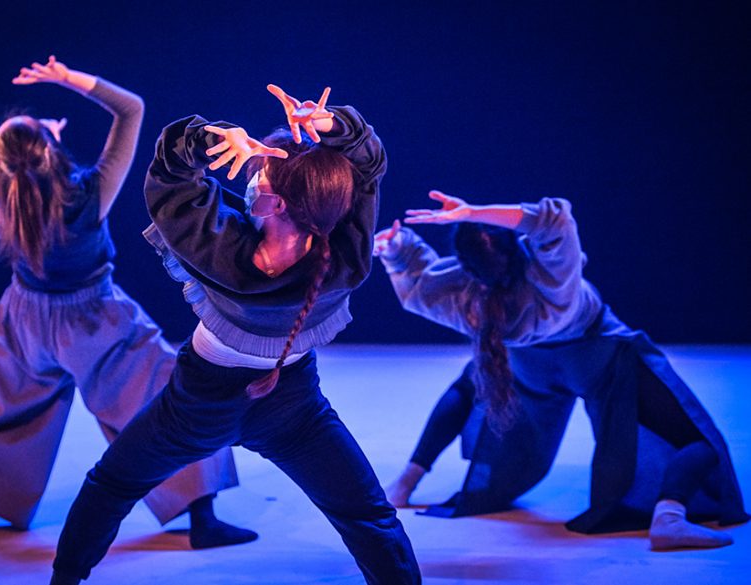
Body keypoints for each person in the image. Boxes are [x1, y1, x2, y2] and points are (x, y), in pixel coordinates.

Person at [48, 85, 420, 584]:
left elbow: (168, 180)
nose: (252, 176)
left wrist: (207, 140)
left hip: (201, 403)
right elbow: (368, 167)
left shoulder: (219, 252)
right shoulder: (346, 261)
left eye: (258, 173)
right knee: (368, 515)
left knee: (111, 484)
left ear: (270, 203)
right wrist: (332, 127)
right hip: (293, 406)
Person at [0, 57, 254, 550]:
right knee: (171, 396)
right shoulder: (90, 194)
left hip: (24, 319)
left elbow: (21, 160)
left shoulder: (8, 195)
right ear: (49, 152)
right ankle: (203, 521)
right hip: (92, 319)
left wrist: (44, 137)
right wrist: (68, 80)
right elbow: (131, 110)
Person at [375, 192, 747, 550]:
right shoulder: (551, 280)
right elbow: (555, 220)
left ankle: (405, 483)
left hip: (526, 365)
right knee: (698, 438)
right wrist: (475, 212)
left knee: (470, 384)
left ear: (466, 268)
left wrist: (396, 249)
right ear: (515, 246)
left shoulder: (471, 301)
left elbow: (421, 286)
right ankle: (669, 516)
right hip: (597, 356)